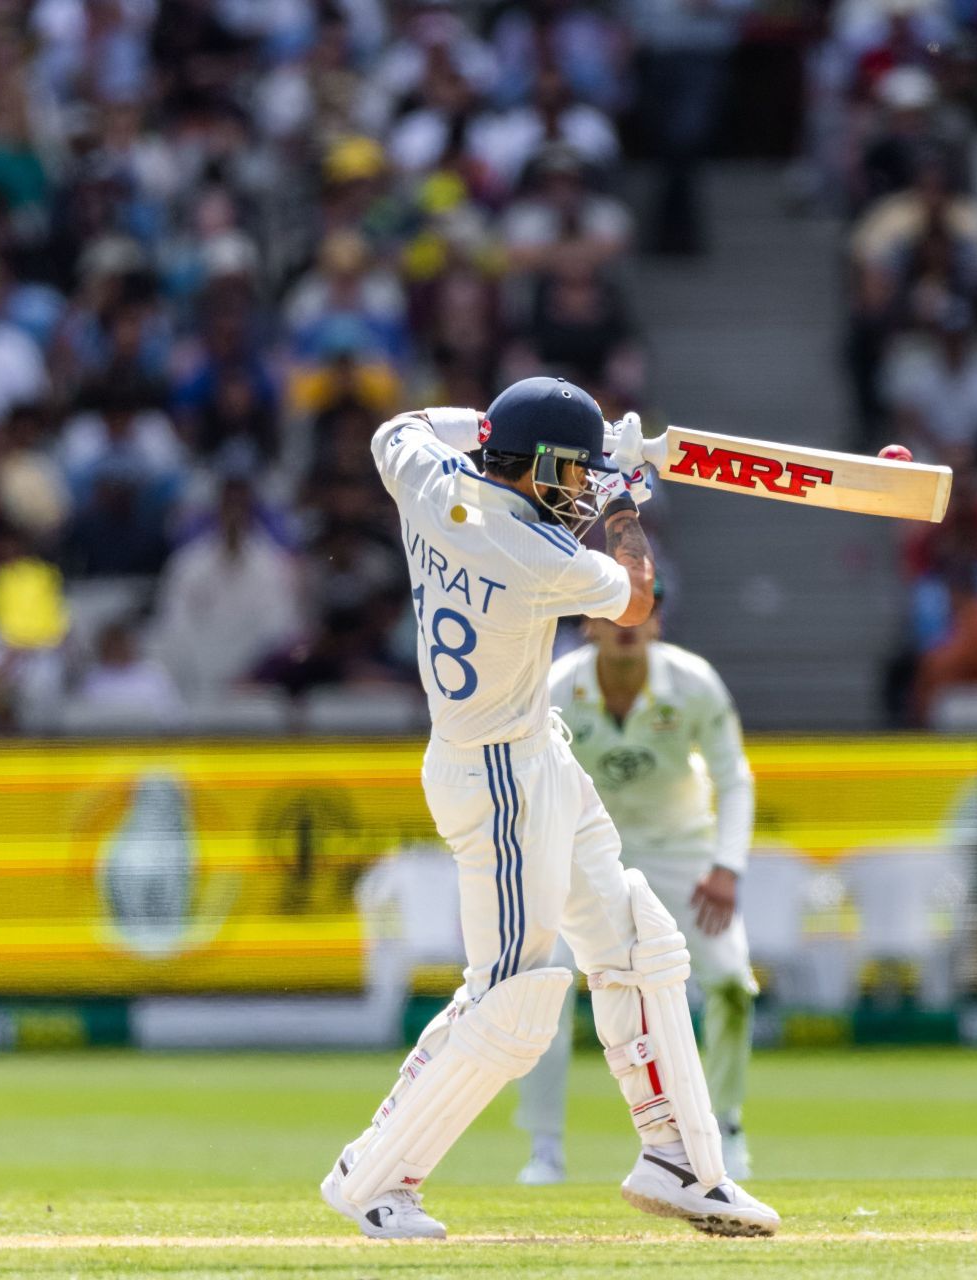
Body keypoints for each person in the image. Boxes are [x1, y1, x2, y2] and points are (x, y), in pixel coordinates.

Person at [320, 376, 780, 1240]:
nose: (578, 489)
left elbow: (402, 426)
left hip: (532, 752)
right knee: (513, 997)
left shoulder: (425, 477)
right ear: (532, 465)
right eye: (571, 472)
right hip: (498, 774)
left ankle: (682, 1162)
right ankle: (373, 1177)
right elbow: (640, 601)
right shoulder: (533, 556)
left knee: (640, 944)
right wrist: (627, 502)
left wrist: (593, 440)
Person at [516, 583, 759, 1185]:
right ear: (588, 626)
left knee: (731, 985)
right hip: (584, 856)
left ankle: (725, 1126)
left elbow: (734, 778)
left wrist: (726, 866)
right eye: (611, 610)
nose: (627, 621)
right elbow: (531, 785)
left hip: (683, 854)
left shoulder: (694, 682)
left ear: (657, 623)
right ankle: (544, 1146)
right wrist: (541, 868)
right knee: (543, 990)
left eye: (640, 609)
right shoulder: (556, 690)